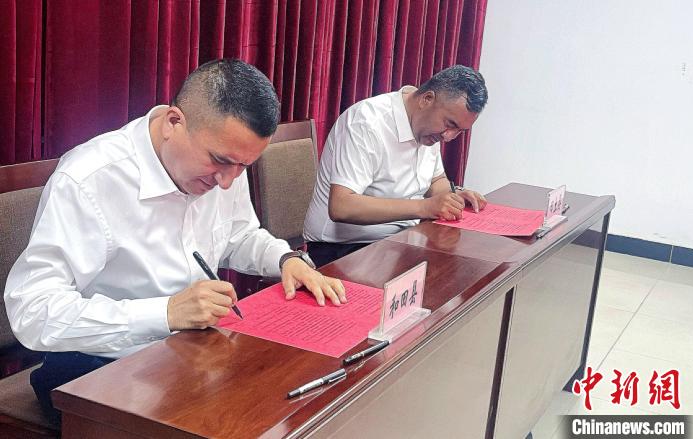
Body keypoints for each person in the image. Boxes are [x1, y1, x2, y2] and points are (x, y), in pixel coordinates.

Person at [3, 58, 345, 425]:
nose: (227, 182)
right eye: (220, 161)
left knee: (295, 401)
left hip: (191, 353)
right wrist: (165, 313)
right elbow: (33, 310)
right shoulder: (90, 180)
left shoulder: (226, 166)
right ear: (173, 122)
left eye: (243, 166)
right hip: (96, 366)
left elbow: (239, 235)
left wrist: (285, 259)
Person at [303, 65, 489, 266]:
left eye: (459, 131)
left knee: (465, 266)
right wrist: (425, 207)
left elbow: (436, 180)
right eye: (450, 124)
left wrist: (451, 199)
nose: (449, 137)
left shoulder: (429, 126)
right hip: (343, 248)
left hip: (401, 240)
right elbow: (342, 206)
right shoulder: (366, 123)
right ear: (427, 99)